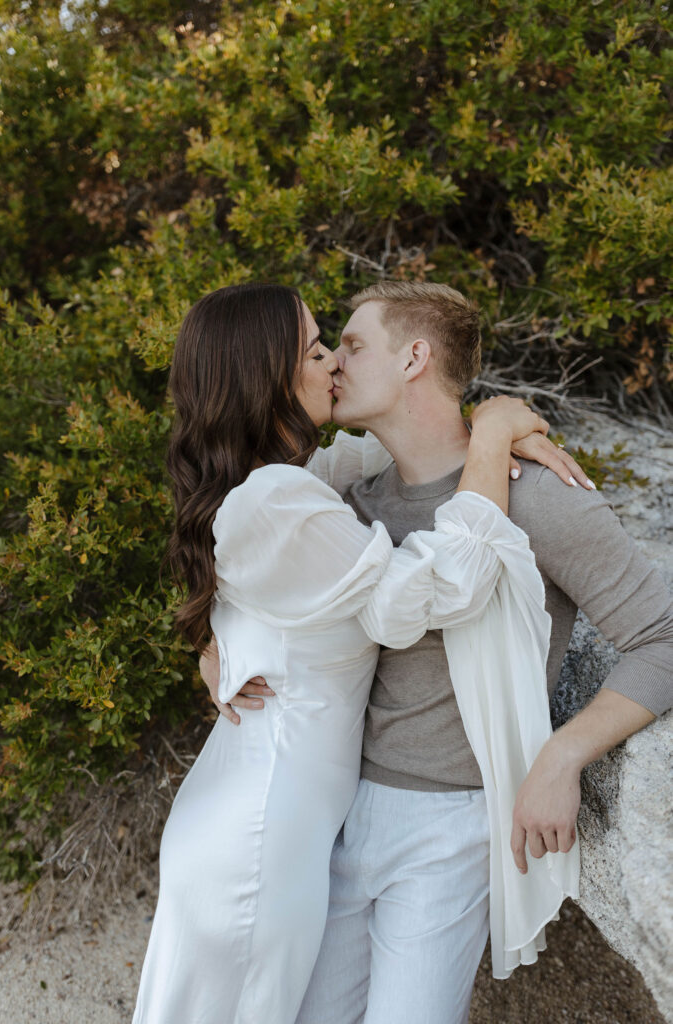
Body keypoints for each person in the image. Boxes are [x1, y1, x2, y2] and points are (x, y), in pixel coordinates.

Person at [210, 281, 673, 1024]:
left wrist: (560, 757)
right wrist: (218, 652)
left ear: (414, 358)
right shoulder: (352, 497)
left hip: (451, 823)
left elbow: (661, 637)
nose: (332, 363)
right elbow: (254, 563)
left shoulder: (536, 497)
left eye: (353, 345)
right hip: (333, 810)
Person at [132, 282, 588, 1024]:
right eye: (316, 349)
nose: (333, 365)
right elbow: (435, 593)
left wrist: (480, 422)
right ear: (268, 374)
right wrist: (494, 437)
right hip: (259, 833)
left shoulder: (286, 485)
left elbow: (402, 434)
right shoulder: (275, 501)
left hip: (279, 818)